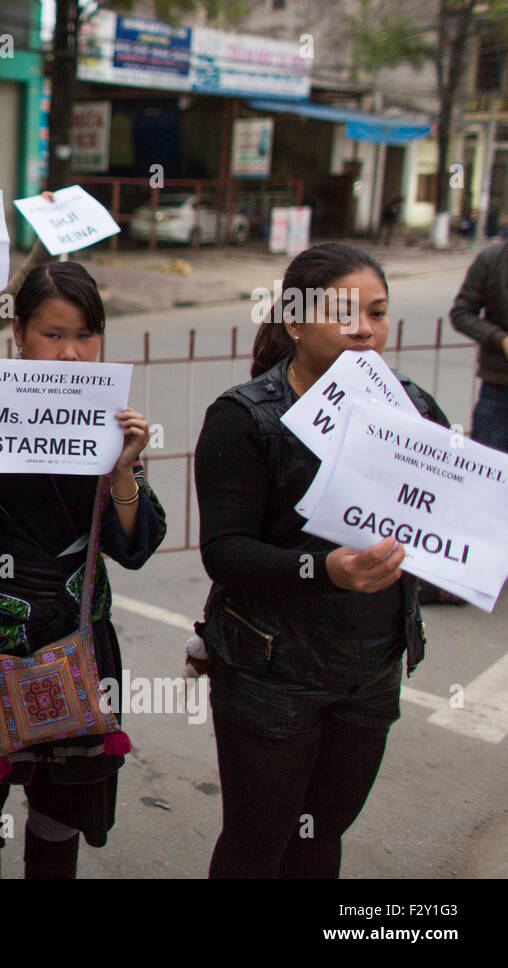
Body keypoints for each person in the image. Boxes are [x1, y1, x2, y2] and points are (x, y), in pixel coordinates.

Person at [194, 242, 448, 878]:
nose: (365, 329)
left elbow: (447, 516)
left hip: (369, 671)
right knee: (260, 839)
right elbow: (226, 553)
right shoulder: (245, 417)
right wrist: (323, 570)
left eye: (379, 312)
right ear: (295, 321)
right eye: (344, 312)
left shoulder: (412, 408)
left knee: (321, 835)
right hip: (270, 672)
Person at [0, 261, 165, 878]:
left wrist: (125, 470)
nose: (71, 354)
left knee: (60, 803)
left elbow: (135, 546)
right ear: (18, 332)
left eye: (85, 335)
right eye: (53, 334)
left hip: (75, 641)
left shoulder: (111, 420)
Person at [450, 240, 508, 453]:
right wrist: (499, 339)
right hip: (499, 390)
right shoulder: (492, 259)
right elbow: (461, 313)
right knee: (489, 472)